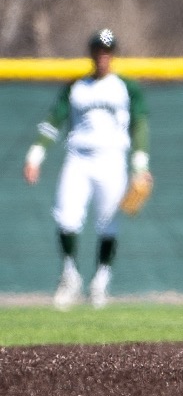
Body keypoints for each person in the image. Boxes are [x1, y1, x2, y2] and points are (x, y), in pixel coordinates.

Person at [23, 29, 151, 310]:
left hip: (112, 159)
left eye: (108, 51)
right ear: (92, 53)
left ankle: (101, 281)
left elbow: (139, 124)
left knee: (108, 223)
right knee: (66, 217)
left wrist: (140, 165)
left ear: (113, 55)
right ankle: (70, 275)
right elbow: (53, 121)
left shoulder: (126, 87)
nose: (103, 56)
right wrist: (35, 155)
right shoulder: (76, 87)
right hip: (78, 157)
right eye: (99, 50)